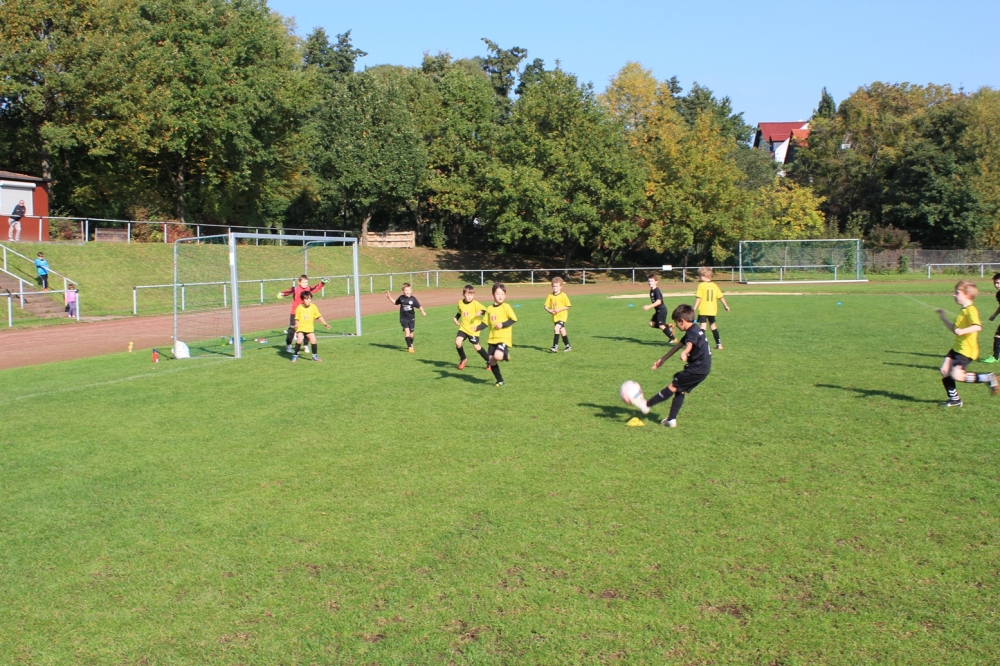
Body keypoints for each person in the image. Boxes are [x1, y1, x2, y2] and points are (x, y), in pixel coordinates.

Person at [632, 304, 711, 428]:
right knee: (680, 390)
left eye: (676, 322)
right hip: (703, 369)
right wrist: (663, 359)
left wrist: (685, 353)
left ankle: (646, 405)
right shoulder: (694, 329)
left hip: (696, 369)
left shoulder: (692, 333)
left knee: (673, 386)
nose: (676, 326)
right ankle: (671, 419)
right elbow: (678, 345)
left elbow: (689, 344)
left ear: (682, 321)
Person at [936, 280, 998, 406]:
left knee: (957, 375)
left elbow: (977, 326)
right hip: (957, 347)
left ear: (967, 295)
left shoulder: (971, 310)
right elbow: (954, 329)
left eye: (957, 293)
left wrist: (963, 331)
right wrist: (943, 318)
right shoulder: (962, 310)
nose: (954, 295)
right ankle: (955, 400)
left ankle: (988, 378)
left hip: (967, 350)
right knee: (944, 370)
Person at [278, 275, 328, 354]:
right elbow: (288, 291)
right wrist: (282, 294)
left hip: (305, 312)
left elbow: (316, 288)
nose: (305, 284)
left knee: (307, 329)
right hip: (295, 313)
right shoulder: (295, 289)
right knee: (292, 329)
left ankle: (305, 345)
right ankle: (288, 345)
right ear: (299, 282)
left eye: (306, 282)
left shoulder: (308, 289)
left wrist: (322, 283)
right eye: (303, 282)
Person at [479, 283, 516, 386]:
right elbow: (485, 323)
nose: (500, 296)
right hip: (492, 339)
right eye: (498, 294)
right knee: (491, 360)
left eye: (502, 294)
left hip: (503, 338)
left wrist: (502, 324)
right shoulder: (489, 309)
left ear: (505, 295)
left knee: (498, 356)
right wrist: (475, 328)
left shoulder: (506, 306)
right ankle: (500, 380)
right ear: (493, 294)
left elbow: (513, 319)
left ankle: (505, 353)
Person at [692, 267, 730, 350]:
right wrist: (726, 305)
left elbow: (699, 298)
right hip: (712, 310)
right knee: (713, 326)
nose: (699, 277)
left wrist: (694, 308)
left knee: (703, 327)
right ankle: (719, 344)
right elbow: (720, 296)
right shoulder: (714, 285)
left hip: (703, 310)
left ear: (705, 276)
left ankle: (700, 344)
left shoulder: (701, 285)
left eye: (700, 276)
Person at [453, 284, 490, 369]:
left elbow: (486, 311)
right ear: (463, 294)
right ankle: (463, 359)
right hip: (463, 328)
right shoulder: (460, 303)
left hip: (473, 330)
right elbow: (459, 312)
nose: (470, 297)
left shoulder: (476, 304)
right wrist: (455, 318)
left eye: (472, 295)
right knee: (458, 342)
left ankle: (489, 361)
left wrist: (480, 312)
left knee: (476, 346)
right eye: (468, 294)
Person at [386, 283, 426, 353]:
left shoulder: (413, 299)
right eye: (406, 290)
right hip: (403, 318)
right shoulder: (401, 298)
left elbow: (419, 306)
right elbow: (395, 302)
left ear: (411, 290)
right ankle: (410, 348)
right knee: (407, 332)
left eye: (409, 290)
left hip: (411, 319)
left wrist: (422, 312)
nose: (407, 292)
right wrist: (389, 297)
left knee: (411, 335)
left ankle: (411, 343)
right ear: (403, 291)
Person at [291, 291, 330, 362]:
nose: (308, 300)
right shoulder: (299, 308)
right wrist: (297, 324)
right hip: (301, 327)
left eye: (309, 298)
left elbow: (319, 316)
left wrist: (325, 324)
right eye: (306, 299)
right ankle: (295, 355)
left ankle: (314, 356)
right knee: (300, 339)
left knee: (313, 340)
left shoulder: (313, 307)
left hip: (309, 328)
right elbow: (296, 319)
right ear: (302, 300)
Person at [642, 274, 676, 343]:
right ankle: (668, 327)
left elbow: (659, 301)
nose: (650, 282)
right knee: (652, 324)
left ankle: (673, 339)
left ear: (656, 282)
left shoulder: (656, 291)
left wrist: (649, 306)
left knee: (661, 326)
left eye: (652, 281)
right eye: (649, 281)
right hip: (658, 311)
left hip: (662, 310)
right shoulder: (652, 290)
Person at [544, 276, 573, 352]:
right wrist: (549, 310)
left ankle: (555, 346)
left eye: (557, 286)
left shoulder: (563, 295)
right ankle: (568, 346)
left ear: (561, 287)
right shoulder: (550, 295)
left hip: (562, 316)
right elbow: (546, 306)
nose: (555, 288)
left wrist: (559, 309)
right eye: (553, 286)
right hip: (555, 317)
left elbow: (568, 306)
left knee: (556, 329)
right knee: (562, 331)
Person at [982, 273, 1000, 363]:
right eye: (995, 283)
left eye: (998, 283)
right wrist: (994, 315)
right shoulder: (998, 294)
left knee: (998, 336)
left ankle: (996, 357)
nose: (996, 285)